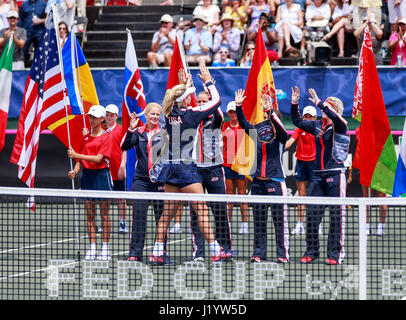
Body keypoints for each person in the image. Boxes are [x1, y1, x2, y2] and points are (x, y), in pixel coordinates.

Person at [149, 66, 232, 265]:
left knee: (167, 214)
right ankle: (216, 250)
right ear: (186, 99)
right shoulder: (193, 114)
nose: (192, 98)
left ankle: (156, 252)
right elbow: (217, 101)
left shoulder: (168, 112)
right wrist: (208, 82)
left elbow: (175, 98)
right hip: (186, 167)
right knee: (201, 209)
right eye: (190, 96)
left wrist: (183, 84)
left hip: (170, 167)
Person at [291, 86, 349, 265]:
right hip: (318, 176)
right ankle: (311, 251)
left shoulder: (341, 126)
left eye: (329, 106)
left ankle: (334, 254)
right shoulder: (317, 126)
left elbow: (334, 117)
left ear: (335, 110)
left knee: (336, 216)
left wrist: (319, 102)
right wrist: (294, 103)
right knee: (312, 215)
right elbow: (297, 121)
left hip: (335, 175)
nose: (323, 109)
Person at [234, 89, 290, 263]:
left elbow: (281, 129)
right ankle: (259, 253)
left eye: (270, 118)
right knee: (259, 221)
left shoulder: (280, 135)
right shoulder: (257, 130)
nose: (266, 120)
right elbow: (243, 123)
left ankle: (282, 254)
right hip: (258, 184)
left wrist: (270, 111)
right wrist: (238, 106)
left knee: (279, 222)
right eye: (265, 118)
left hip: (276, 183)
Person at [188, 90, 233, 262]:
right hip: (195, 170)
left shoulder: (216, 118)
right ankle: (199, 251)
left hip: (214, 168)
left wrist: (209, 86)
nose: (200, 104)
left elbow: (217, 104)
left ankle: (225, 249)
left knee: (220, 210)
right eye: (198, 101)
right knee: (196, 212)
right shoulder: (191, 117)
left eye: (204, 101)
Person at [121, 103, 168, 262]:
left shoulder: (165, 133)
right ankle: (135, 253)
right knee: (138, 217)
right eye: (152, 114)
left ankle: (160, 253)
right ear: (145, 115)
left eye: (157, 114)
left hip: (160, 181)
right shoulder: (139, 132)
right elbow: (124, 146)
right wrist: (130, 129)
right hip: (141, 181)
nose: (155, 117)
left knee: (161, 218)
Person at [67, 105, 113, 261]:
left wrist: (76, 154)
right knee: (90, 215)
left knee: (104, 215)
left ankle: (105, 248)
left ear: (102, 119)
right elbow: (80, 161)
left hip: (102, 177)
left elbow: (98, 159)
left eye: (95, 117)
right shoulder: (85, 138)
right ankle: (92, 248)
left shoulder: (107, 137)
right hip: (87, 178)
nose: (91, 120)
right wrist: (75, 171)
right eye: (90, 117)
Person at [285, 105, 319, 235]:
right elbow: (291, 141)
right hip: (301, 163)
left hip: (314, 164)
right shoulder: (300, 129)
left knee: (315, 196)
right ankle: (299, 224)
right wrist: (282, 147)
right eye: (306, 116)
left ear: (315, 117)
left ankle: (317, 225)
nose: (308, 118)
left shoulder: (318, 129)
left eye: (311, 116)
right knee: (302, 194)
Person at [354, 127, 387, 236]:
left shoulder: (382, 127)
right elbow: (363, 144)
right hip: (365, 166)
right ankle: (367, 226)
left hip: (380, 167)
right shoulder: (359, 130)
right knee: (366, 197)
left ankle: (381, 226)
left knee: (381, 196)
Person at [222, 101, 249, 234]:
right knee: (229, 194)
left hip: (241, 165)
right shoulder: (224, 126)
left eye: (235, 111)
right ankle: (229, 222)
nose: (233, 114)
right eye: (231, 112)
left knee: (242, 194)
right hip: (227, 164)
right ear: (228, 113)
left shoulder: (244, 126)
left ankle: (244, 223)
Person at [104, 104, 128, 234]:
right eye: (107, 115)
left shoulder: (121, 130)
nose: (109, 117)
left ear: (116, 116)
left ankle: (123, 223)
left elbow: (124, 150)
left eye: (111, 115)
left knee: (121, 198)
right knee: (105, 198)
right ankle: (105, 222)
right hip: (104, 170)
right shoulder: (101, 130)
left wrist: (122, 165)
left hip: (117, 169)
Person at [18, 0, 47, 67]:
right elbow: (20, 19)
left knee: (39, 54)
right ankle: (22, 70)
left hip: (39, 33)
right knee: (23, 53)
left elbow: (48, 17)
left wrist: (41, 20)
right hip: (26, 33)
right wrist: (19, 32)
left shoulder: (43, 4)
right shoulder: (24, 4)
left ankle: (38, 72)